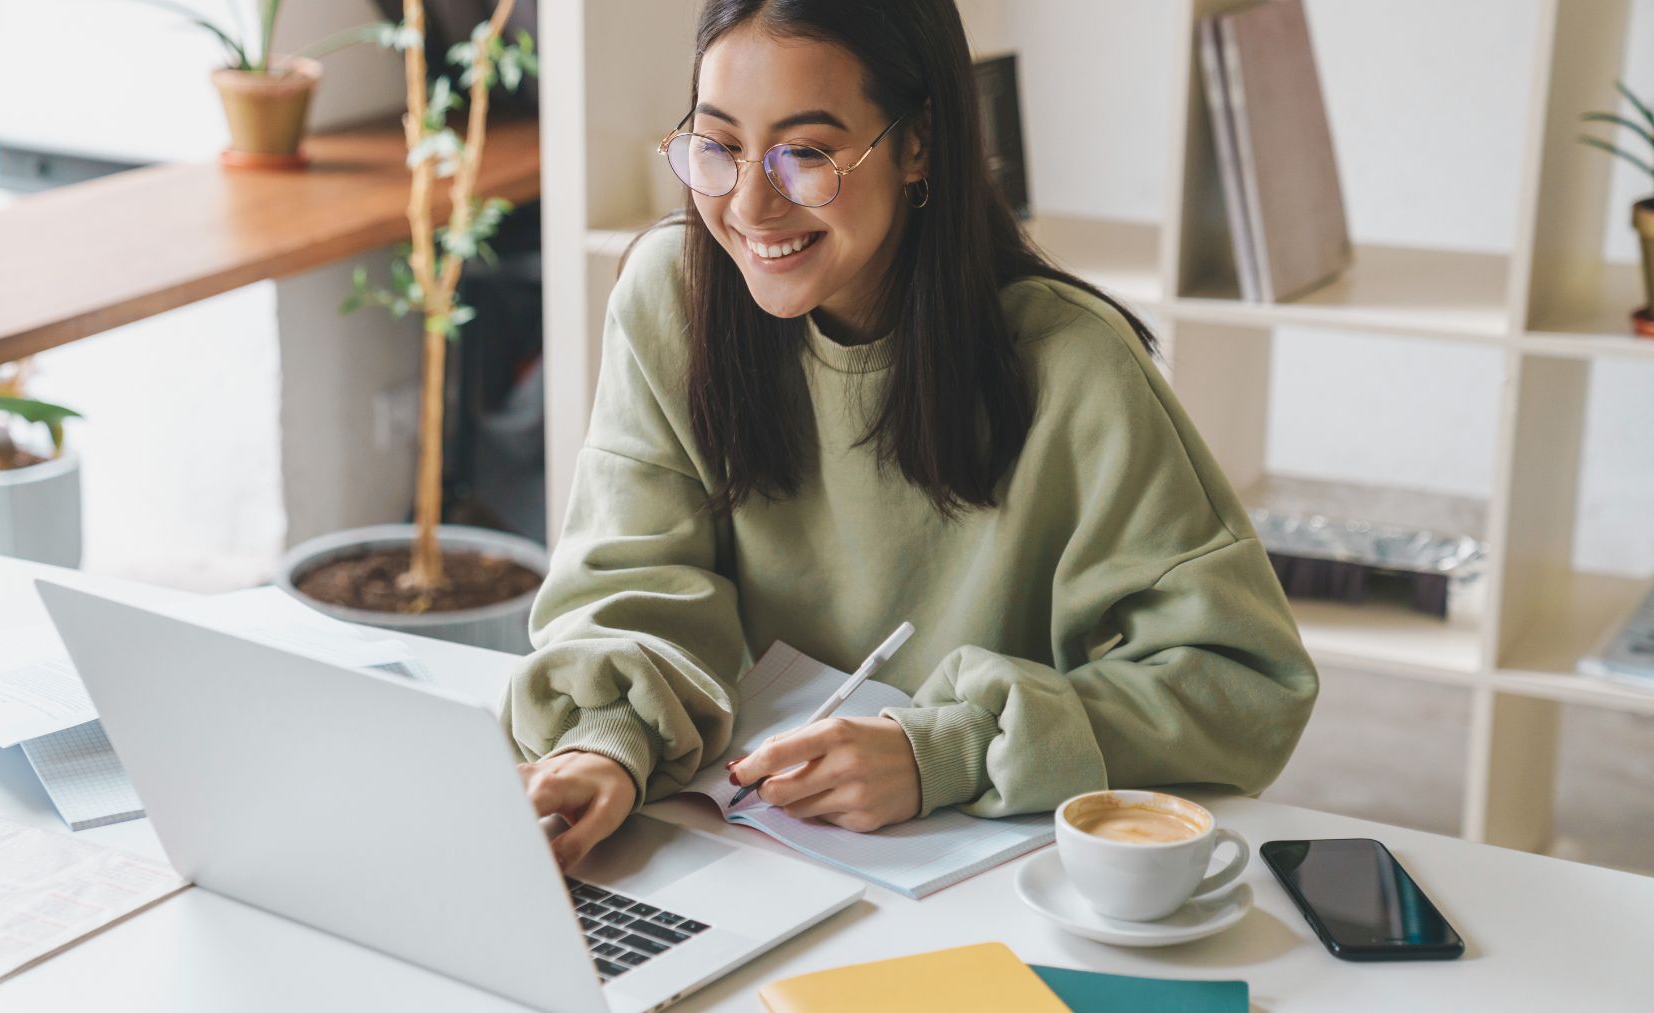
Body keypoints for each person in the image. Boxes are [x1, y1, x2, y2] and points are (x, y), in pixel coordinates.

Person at [505, 0, 1319, 870]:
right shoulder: (671, 298)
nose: (750, 203)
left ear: (917, 143)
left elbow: (1244, 683)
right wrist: (604, 740)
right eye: (718, 144)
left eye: (806, 153)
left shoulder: (1072, 364)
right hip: (727, 839)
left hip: (983, 871)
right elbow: (629, 578)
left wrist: (949, 749)